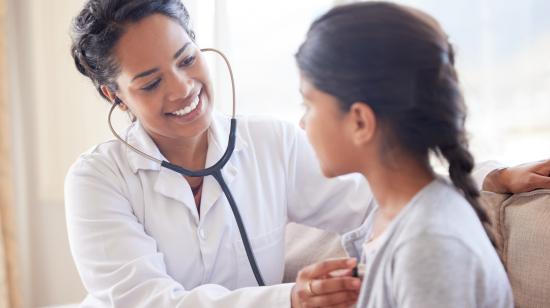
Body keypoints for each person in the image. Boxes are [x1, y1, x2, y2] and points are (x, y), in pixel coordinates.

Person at [65, 0, 549, 307]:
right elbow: (148, 302)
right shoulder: (96, 180)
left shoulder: (270, 143)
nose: (182, 88)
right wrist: (291, 299)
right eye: (150, 82)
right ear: (115, 95)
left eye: (187, 59)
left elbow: (385, 187)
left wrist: (485, 174)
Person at [293, 2, 514, 307]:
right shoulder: (393, 218)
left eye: (308, 104)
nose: (302, 123)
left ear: (360, 122)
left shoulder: (431, 246)